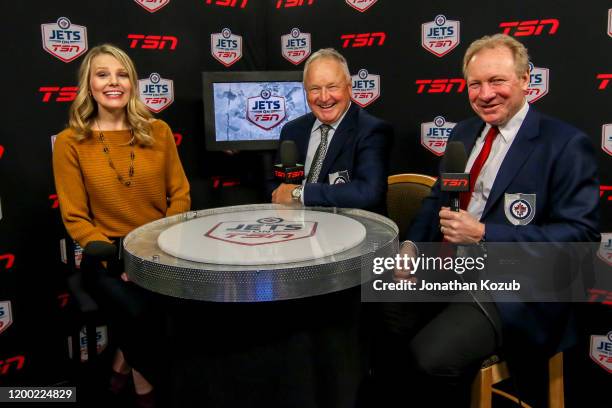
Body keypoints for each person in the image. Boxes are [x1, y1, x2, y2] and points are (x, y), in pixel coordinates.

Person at [374, 34, 599, 407]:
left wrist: (483, 234)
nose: (485, 94)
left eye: (497, 81)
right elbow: (435, 203)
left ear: (526, 80)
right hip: (445, 268)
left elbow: (580, 239)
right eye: (475, 84)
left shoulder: (564, 144)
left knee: (432, 357)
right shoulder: (463, 133)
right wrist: (412, 248)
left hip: (514, 285)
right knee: (373, 318)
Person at [53, 44, 190, 407]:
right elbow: (75, 217)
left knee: (169, 316)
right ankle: (148, 394)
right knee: (141, 314)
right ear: (89, 84)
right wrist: (122, 261)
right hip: (106, 257)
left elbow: (180, 195)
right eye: (102, 74)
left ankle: (118, 369)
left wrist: (153, 250)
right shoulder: (70, 142)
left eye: (122, 74)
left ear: (132, 82)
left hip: (159, 248)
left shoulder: (157, 131)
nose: (113, 82)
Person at [270, 48, 392, 213]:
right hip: (297, 230)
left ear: (349, 88)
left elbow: (368, 192)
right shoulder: (292, 130)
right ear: (305, 91)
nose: (324, 97)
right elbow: (275, 184)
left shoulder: (371, 130)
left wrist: (300, 193)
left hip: (352, 231)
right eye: (315, 89)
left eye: (332, 87)